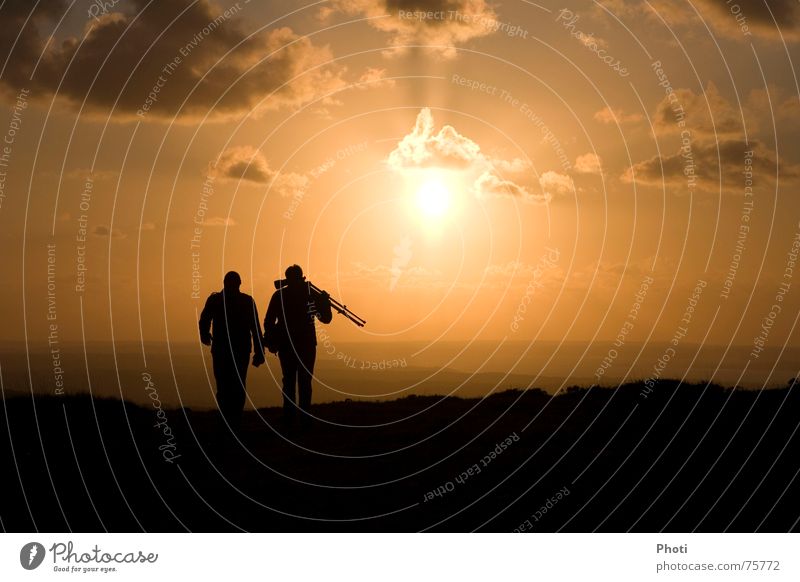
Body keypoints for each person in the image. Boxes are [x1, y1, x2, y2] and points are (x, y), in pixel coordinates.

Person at [263, 265, 332, 428]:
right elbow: (326, 318)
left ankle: (290, 418)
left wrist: (272, 338)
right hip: (305, 345)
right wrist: (324, 302)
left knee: (289, 381)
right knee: (303, 382)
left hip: (288, 344)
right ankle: (303, 419)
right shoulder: (309, 295)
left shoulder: (280, 295)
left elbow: (268, 321)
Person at [199, 271, 265, 433]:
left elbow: (204, 320)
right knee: (235, 385)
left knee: (225, 386)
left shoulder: (216, 300)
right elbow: (255, 328)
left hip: (225, 350)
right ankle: (233, 421)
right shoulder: (245, 301)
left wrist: (205, 334)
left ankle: (228, 420)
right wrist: (259, 351)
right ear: (239, 283)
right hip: (237, 350)